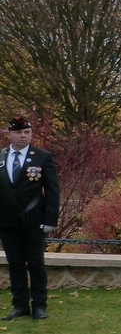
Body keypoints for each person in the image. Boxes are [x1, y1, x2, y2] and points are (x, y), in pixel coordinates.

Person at [0, 116, 60, 321]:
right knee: (15, 264)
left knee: (36, 264)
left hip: (35, 220)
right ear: (9, 134)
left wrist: (51, 219)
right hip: (7, 222)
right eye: (18, 132)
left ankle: (39, 305)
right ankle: (20, 305)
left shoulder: (42, 157)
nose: (23, 136)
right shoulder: (1, 157)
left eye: (27, 132)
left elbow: (52, 190)